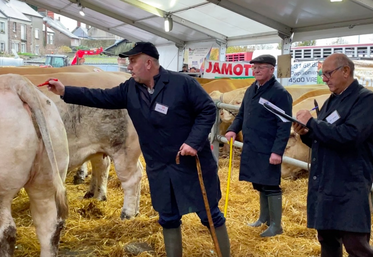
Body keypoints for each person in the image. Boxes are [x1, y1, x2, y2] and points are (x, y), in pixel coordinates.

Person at [47, 42, 230, 257]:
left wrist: (194, 141)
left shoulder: (182, 84)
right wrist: (65, 91)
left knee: (209, 215)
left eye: (133, 61)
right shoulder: (130, 88)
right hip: (159, 166)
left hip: (190, 164)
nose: (129, 66)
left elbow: (207, 110)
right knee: (168, 217)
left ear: (149, 63)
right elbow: (101, 97)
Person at [293, 53, 373, 257]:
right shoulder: (332, 101)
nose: (325, 79)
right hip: (326, 182)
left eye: (328, 73)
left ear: (345, 71)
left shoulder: (365, 100)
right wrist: (307, 134)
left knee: (356, 244)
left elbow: (350, 136)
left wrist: (312, 123)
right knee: (327, 240)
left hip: (349, 182)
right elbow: (325, 136)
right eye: (323, 74)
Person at [225, 54, 292, 237]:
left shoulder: (279, 93)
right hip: (253, 145)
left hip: (268, 147)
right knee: (260, 184)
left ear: (271, 70)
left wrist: (277, 151)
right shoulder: (251, 89)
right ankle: (264, 219)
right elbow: (241, 114)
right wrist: (232, 129)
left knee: (270, 184)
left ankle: (276, 226)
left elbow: (284, 124)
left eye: (261, 67)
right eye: (254, 67)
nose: (256, 70)